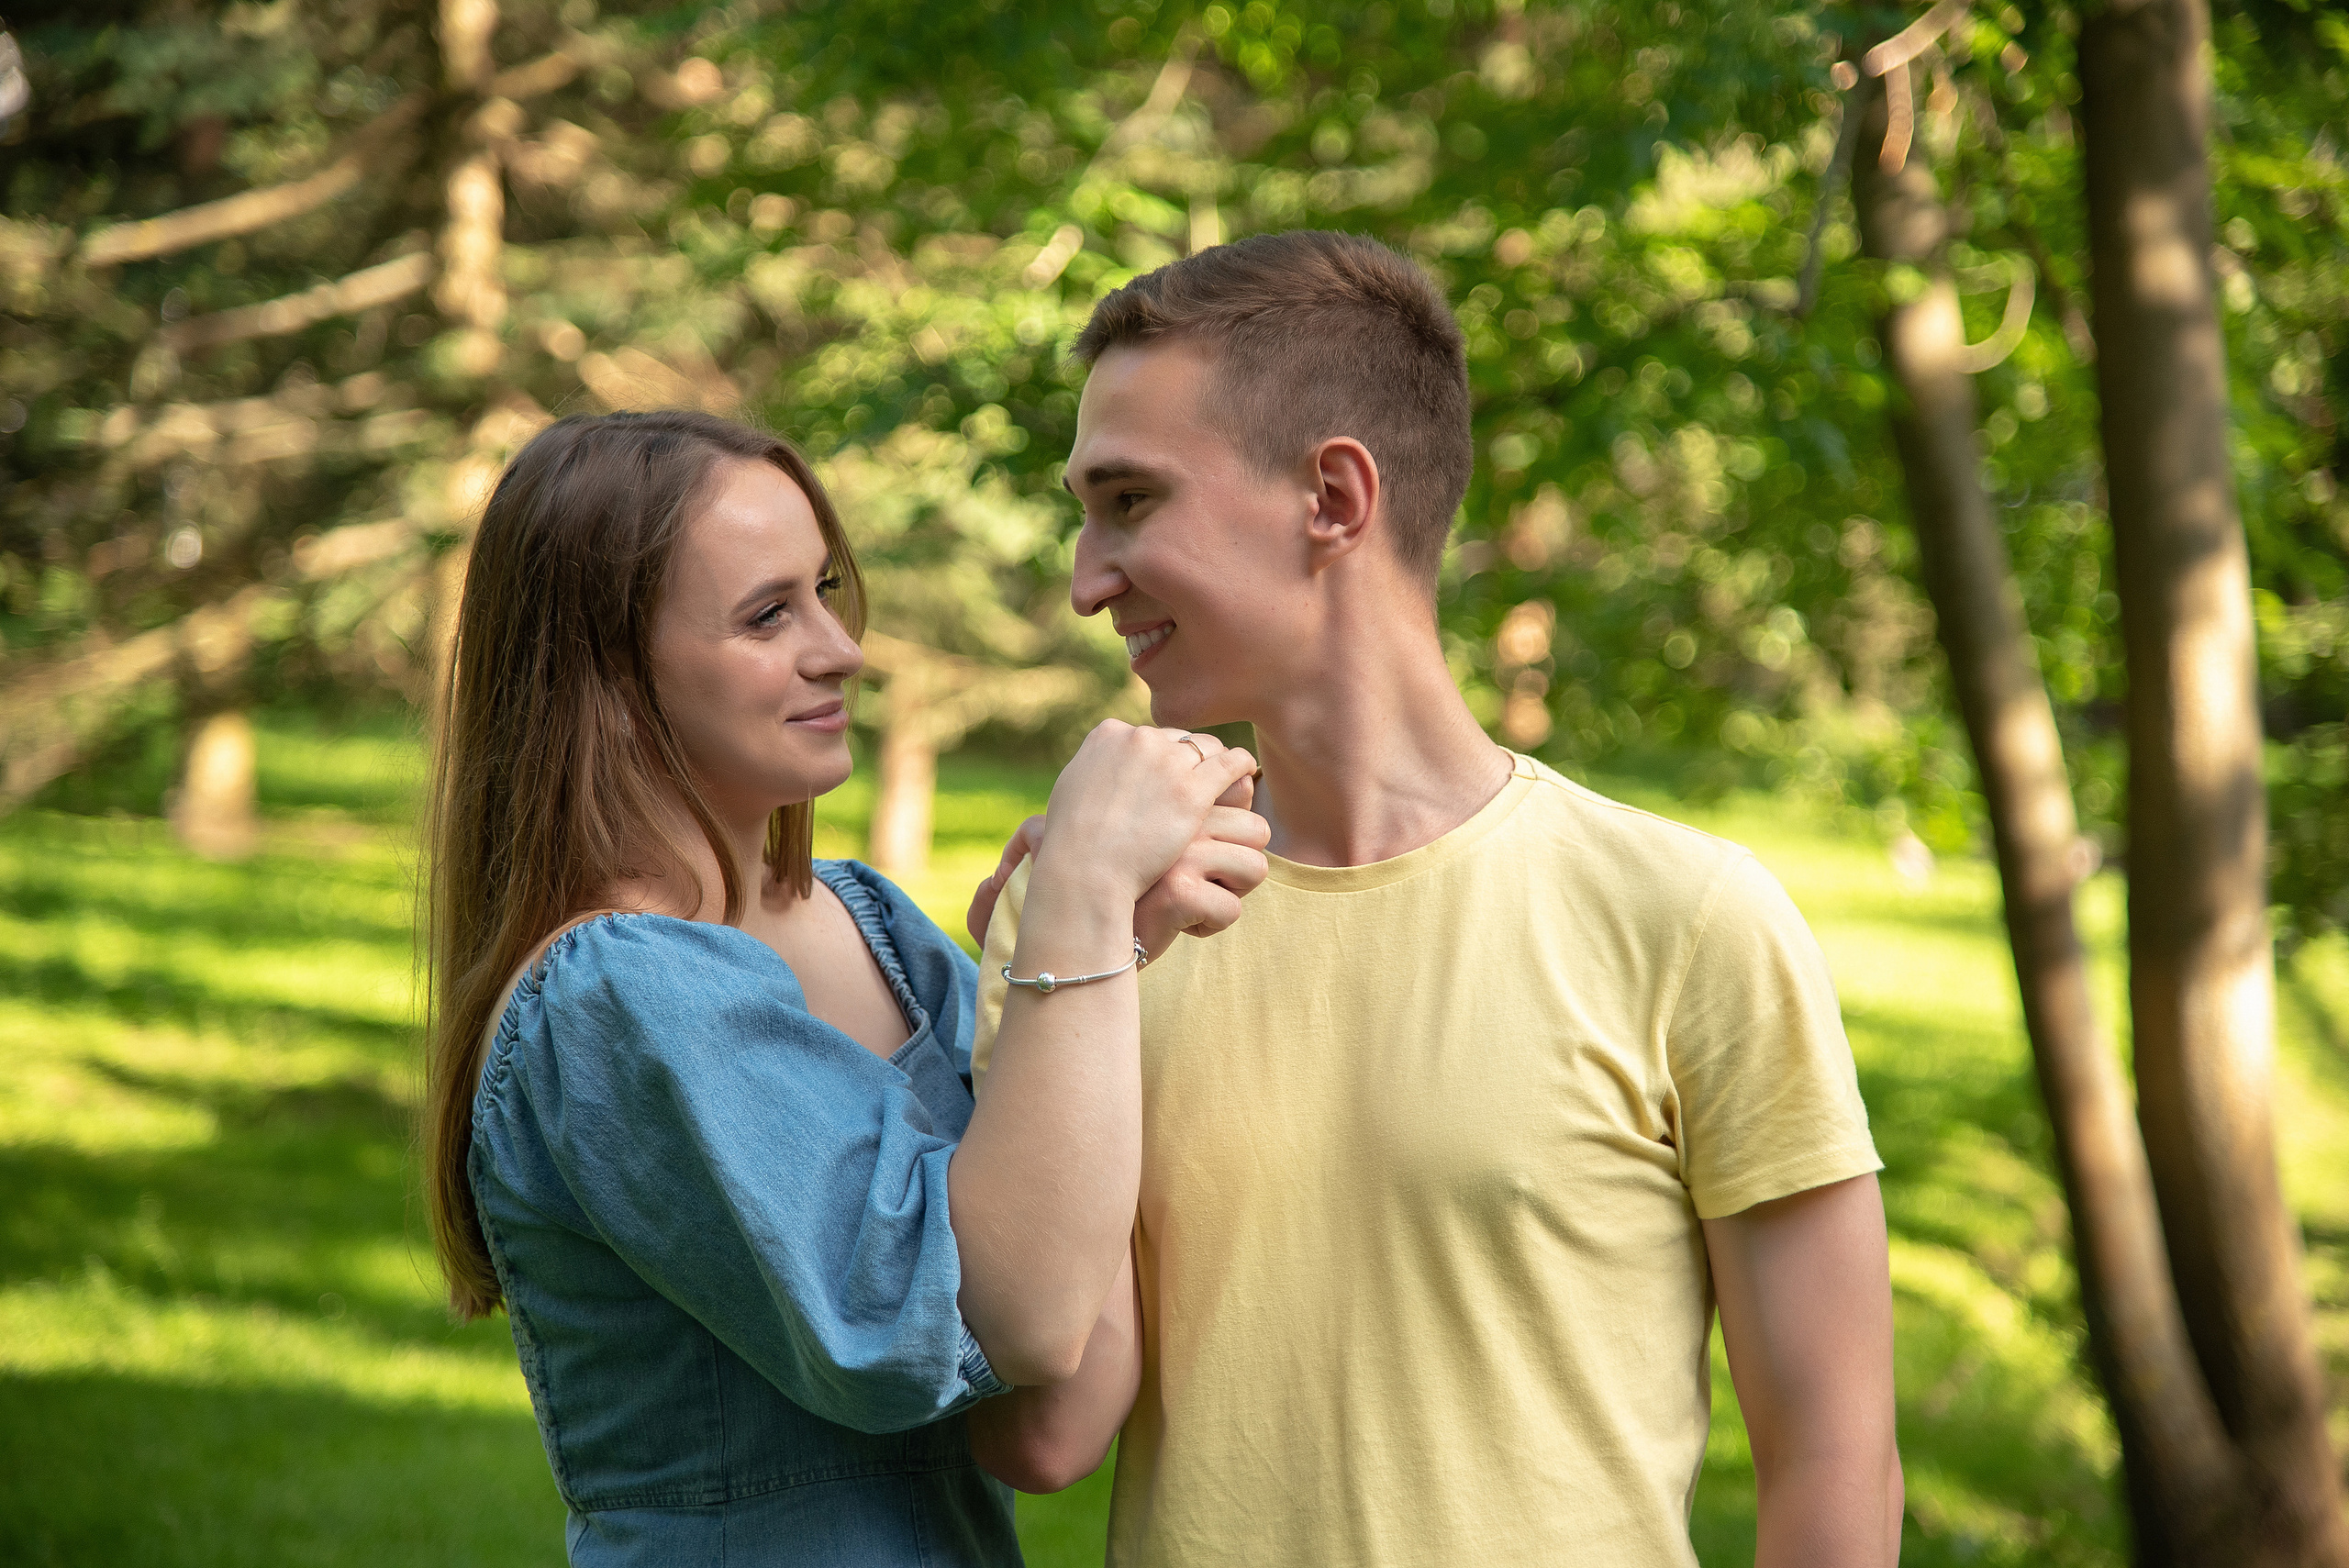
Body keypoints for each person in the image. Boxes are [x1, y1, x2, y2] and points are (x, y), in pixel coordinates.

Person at [963, 232, 1903, 1567]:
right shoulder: (1080, 920)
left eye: (1129, 502)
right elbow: (1042, 1438)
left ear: (1334, 497)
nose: (1083, 578)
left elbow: (1836, 1461)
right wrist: (1081, 951)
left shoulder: (1688, 917)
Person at [418, 408, 1267, 1567]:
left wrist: (1093, 953)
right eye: (768, 614)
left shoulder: (871, 924)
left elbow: (1055, 1411)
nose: (840, 647)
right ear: (608, 677)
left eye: (826, 589)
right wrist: (1069, 915)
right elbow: (1001, 1313)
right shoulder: (615, 994)